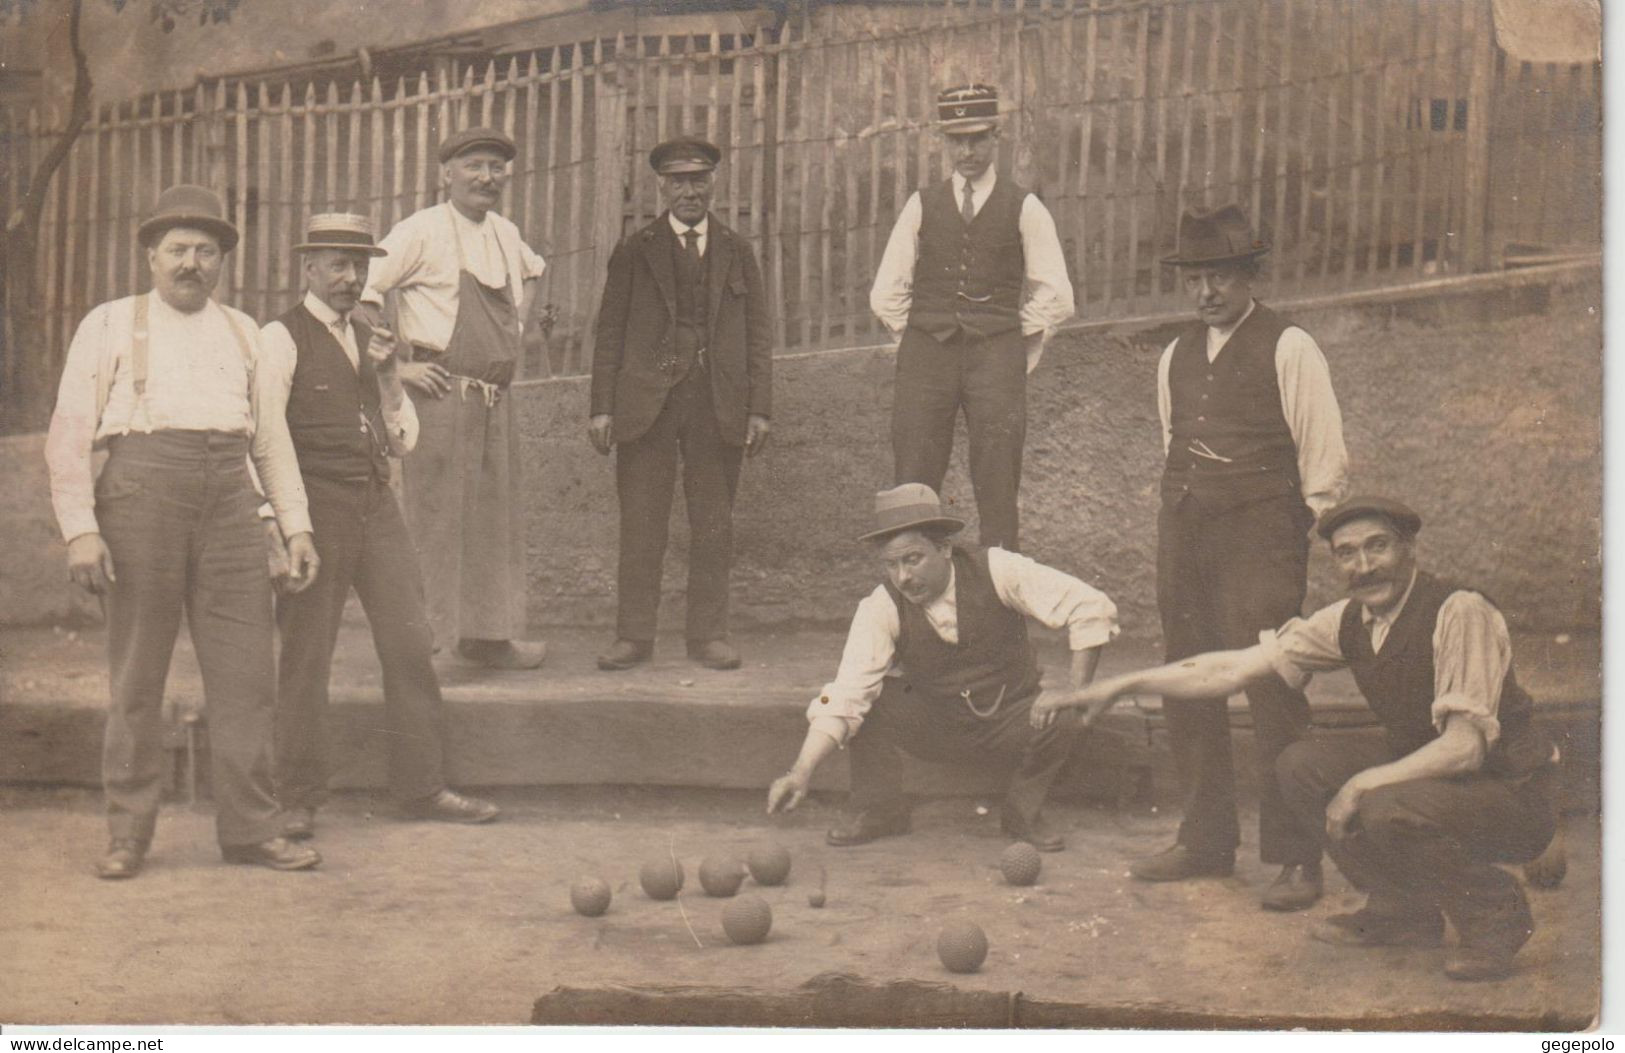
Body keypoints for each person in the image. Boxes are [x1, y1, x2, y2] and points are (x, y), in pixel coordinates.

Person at [1036, 497, 1558, 981]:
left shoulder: (1458, 610)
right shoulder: (1351, 619)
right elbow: (1231, 669)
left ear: (1409, 548)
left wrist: (1358, 786)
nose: (1365, 565)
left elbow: (1465, 747)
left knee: (1379, 806)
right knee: (1301, 765)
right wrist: (1119, 684)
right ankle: (1402, 911)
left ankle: (1496, 917)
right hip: (1440, 785)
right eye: (1347, 554)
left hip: (1512, 791)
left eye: (1378, 546)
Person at [44, 184, 322, 877]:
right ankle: (128, 833)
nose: (190, 263)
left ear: (223, 260)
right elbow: (68, 434)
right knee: (138, 673)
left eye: (205, 250)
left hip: (231, 500)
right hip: (140, 494)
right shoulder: (108, 324)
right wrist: (80, 528)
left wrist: (295, 527)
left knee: (247, 672)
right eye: (177, 250)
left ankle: (252, 828)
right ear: (150, 257)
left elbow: (270, 442)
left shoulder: (245, 331)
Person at [261, 214, 501, 840]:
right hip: (313, 511)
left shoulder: (369, 335)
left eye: (359, 265)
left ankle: (421, 787)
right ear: (307, 268)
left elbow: (400, 443)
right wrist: (289, 526)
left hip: (374, 504)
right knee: (307, 655)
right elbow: (263, 439)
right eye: (336, 264)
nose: (350, 278)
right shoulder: (279, 338)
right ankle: (297, 798)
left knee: (409, 641)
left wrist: (390, 374)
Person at [1139, 203, 1348, 911]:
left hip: (1261, 536)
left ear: (1248, 274)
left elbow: (1323, 460)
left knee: (1270, 685)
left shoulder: (1289, 347)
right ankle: (1204, 838)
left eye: (1219, 275)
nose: (1205, 292)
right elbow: (1175, 440)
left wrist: (1300, 541)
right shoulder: (1173, 356)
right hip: (1186, 532)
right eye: (1194, 277)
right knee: (1188, 678)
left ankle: (1296, 857)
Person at [766, 483, 1118, 852]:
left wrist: (1077, 691)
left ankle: (1022, 813)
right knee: (867, 697)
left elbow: (1091, 606)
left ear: (945, 548)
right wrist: (801, 772)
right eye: (891, 564)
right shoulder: (880, 606)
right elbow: (844, 693)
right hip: (936, 726)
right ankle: (879, 809)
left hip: (1009, 721)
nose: (902, 577)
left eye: (912, 559)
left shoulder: (997, 569)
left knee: (1065, 714)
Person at [358, 127, 547, 670]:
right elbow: (364, 295)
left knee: (493, 523)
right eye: (475, 166)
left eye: (496, 167)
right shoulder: (420, 230)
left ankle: (489, 641)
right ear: (447, 173)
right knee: (436, 523)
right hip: (440, 395)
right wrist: (399, 366)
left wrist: (515, 331)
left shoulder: (507, 233)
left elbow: (535, 272)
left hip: (494, 398)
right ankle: (428, 648)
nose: (487, 177)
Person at [588, 137, 773, 672]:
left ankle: (708, 636)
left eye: (699, 180)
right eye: (678, 181)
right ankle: (634, 637)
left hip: (717, 402)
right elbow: (610, 333)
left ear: (714, 183)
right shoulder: (635, 249)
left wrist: (759, 407)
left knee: (713, 523)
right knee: (642, 523)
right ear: (661, 187)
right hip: (648, 402)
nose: (689, 191)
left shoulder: (737, 249)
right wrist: (602, 406)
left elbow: (758, 334)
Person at [869, 84, 1074, 553]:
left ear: (996, 137)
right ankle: (917, 600)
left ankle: (999, 600)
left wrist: (1007, 337)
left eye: (977, 138)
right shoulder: (922, 205)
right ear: (944, 141)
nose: (966, 150)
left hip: (995, 359)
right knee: (914, 484)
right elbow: (886, 293)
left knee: (998, 481)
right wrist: (921, 335)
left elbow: (1057, 294)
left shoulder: (1024, 207)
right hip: (926, 357)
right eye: (956, 139)